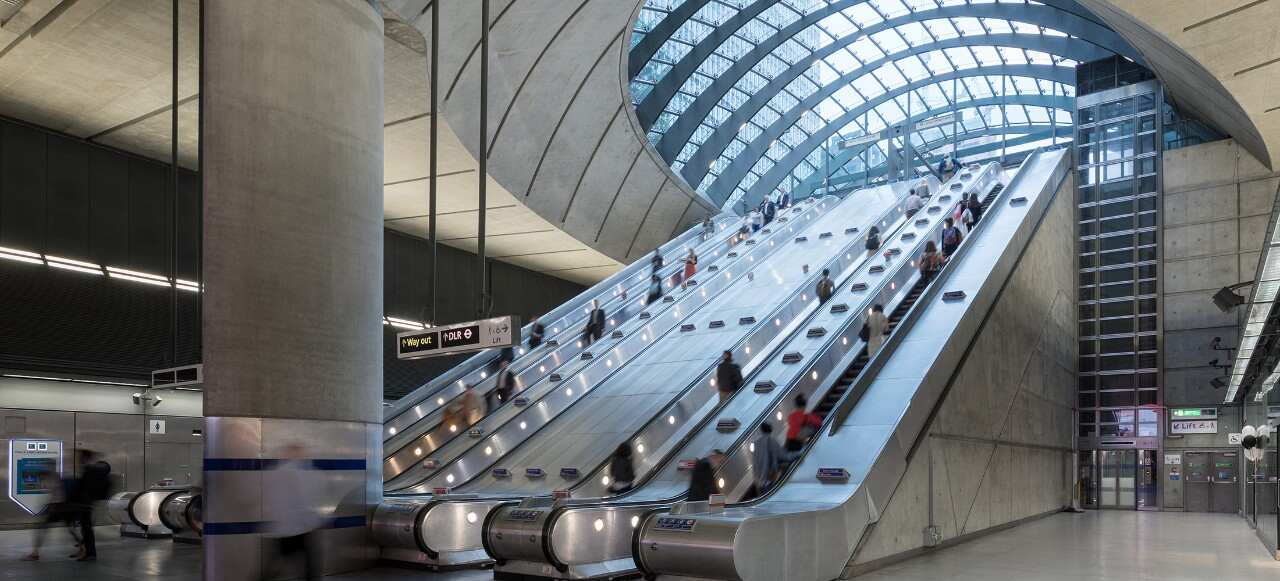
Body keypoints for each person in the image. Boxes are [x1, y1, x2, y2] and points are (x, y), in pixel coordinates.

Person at [261, 443, 324, 580]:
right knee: (311, 566)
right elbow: (303, 499)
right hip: (297, 528)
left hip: (282, 527)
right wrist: (315, 519)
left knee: (276, 565)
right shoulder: (295, 472)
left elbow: (270, 500)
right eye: (301, 452)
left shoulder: (275, 471)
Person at [21, 466, 81, 561]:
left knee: (41, 528)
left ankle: (35, 554)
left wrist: (49, 508)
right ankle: (83, 548)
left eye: (41, 476)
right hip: (63, 508)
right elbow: (57, 495)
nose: (40, 479)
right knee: (70, 529)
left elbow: (56, 497)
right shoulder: (56, 479)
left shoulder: (52, 480)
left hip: (58, 508)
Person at [744, 422, 783, 500]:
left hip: (760, 478)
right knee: (773, 495)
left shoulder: (755, 443)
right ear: (770, 429)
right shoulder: (772, 441)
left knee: (764, 497)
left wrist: (756, 477)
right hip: (770, 475)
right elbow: (781, 456)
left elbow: (755, 461)